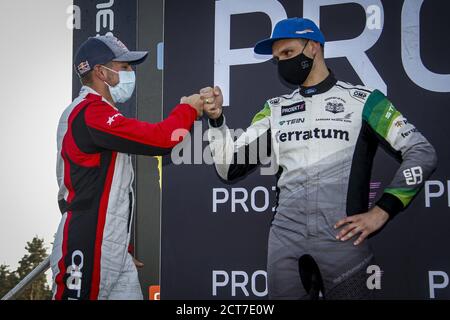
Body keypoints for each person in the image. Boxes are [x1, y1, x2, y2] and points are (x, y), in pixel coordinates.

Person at [202, 18, 437, 299]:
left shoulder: (364, 100)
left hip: (342, 243)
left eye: (288, 53)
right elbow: (229, 168)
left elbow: (422, 152)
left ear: (313, 47)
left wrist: (382, 211)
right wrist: (217, 122)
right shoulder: (275, 109)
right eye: (277, 59)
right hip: (285, 243)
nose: (282, 63)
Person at [51, 35, 203, 300]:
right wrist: (187, 109)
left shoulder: (99, 112)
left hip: (112, 246)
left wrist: (121, 244)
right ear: (101, 72)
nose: (132, 73)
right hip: (87, 240)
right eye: (125, 67)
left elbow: (112, 190)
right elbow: (163, 139)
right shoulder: (89, 111)